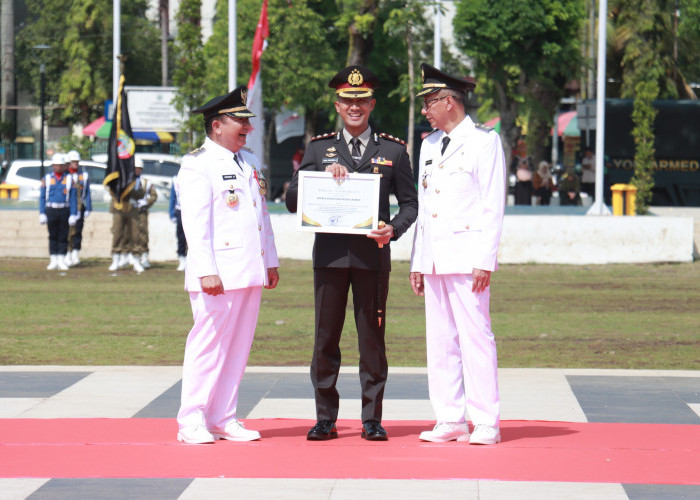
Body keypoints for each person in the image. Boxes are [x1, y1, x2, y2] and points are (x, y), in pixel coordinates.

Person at [285, 65, 418, 442]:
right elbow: (293, 200)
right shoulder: (317, 148)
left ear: (372, 104)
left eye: (361, 100)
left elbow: (410, 203)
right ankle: (325, 418)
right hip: (329, 258)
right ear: (337, 105)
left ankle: (371, 418)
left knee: (372, 340)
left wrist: (393, 229)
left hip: (372, 258)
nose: (354, 106)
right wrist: (319, 178)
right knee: (325, 339)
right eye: (347, 100)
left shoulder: (393, 150)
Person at [176, 86, 279, 444]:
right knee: (207, 345)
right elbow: (196, 223)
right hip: (218, 273)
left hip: (249, 270)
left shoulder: (248, 162)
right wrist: (206, 270)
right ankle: (192, 419)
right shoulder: (197, 164)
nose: (247, 127)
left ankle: (223, 416)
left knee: (237, 347)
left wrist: (271, 261)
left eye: (247, 121)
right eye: (240, 121)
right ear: (217, 125)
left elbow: (260, 217)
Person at [409, 63, 506, 445]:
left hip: (468, 257)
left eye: (429, 102)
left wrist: (485, 259)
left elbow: (492, 204)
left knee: (476, 336)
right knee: (440, 339)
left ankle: (485, 420)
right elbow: (424, 205)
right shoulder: (429, 144)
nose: (425, 110)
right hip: (434, 257)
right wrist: (418, 260)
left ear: (449, 101)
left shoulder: (484, 142)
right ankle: (449, 417)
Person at [39, 153, 78, 271]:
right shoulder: (47, 178)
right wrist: (42, 212)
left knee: (63, 236)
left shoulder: (70, 179)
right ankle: (53, 259)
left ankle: (61, 258)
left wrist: (73, 214)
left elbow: (73, 198)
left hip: (64, 209)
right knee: (52, 235)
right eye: (56, 165)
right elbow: (42, 197)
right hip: (51, 209)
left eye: (61, 165)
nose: (58, 168)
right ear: (53, 166)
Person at [131, 158, 158, 269]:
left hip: (142, 211)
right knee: (133, 234)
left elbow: (154, 195)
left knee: (144, 233)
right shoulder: (128, 182)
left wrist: (146, 202)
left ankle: (144, 255)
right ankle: (135, 257)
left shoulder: (146, 182)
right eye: (135, 168)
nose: (137, 170)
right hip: (131, 211)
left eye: (139, 169)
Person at [66, 150, 92, 266]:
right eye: (73, 162)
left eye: (77, 162)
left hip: (79, 206)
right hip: (67, 207)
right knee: (67, 231)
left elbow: (87, 193)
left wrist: (88, 208)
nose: (76, 164)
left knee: (78, 231)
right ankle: (67, 252)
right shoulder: (66, 176)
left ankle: (75, 253)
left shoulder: (84, 175)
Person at [169, 174, 187, 271]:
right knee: (180, 236)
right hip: (180, 210)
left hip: (193, 210)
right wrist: (171, 213)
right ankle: (182, 258)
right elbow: (172, 197)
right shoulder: (176, 179)